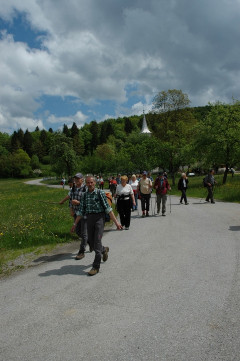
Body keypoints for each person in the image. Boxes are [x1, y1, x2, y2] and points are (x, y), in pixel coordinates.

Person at [71, 176, 122, 276]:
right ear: (85, 183)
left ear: (95, 183)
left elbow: (108, 209)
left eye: (91, 182)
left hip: (99, 218)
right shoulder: (84, 195)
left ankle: (95, 267)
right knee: (91, 242)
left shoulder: (100, 193)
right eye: (88, 183)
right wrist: (75, 224)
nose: (90, 184)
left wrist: (116, 223)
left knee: (97, 241)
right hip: (89, 218)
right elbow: (81, 211)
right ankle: (104, 250)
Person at [69, 173, 88, 259]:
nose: (76, 180)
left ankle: (81, 251)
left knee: (83, 233)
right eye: (75, 179)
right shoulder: (73, 188)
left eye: (78, 178)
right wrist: (71, 210)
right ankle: (91, 242)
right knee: (78, 231)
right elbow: (70, 200)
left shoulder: (86, 188)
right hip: (76, 213)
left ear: (82, 179)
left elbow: (88, 201)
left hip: (84, 213)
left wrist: (79, 203)